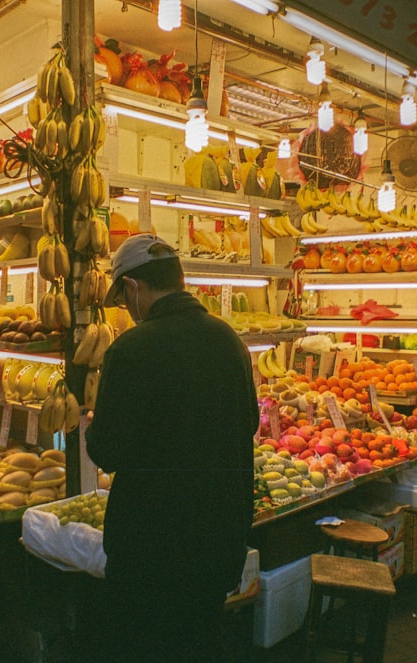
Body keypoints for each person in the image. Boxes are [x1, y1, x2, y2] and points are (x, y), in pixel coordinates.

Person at [85, 234, 258, 662]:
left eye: (124, 301)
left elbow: (107, 450)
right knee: (200, 644)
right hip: (217, 540)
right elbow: (249, 424)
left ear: (133, 289)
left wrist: (92, 422)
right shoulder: (230, 341)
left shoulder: (131, 349)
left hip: (151, 548)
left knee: (146, 647)